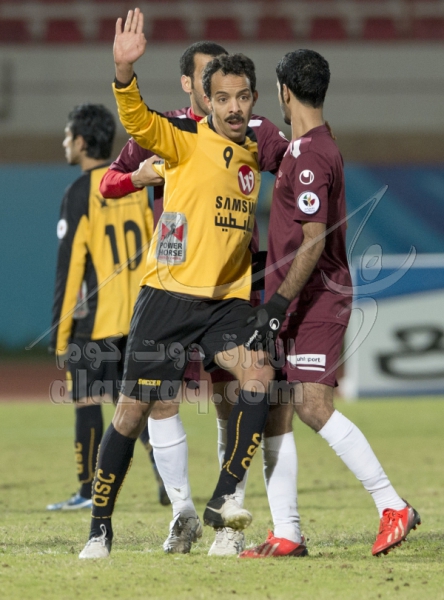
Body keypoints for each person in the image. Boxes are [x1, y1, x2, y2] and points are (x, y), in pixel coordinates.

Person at [79, 8, 275, 560]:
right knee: (133, 410)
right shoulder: (182, 137)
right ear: (202, 96)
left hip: (226, 301)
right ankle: (99, 529)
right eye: (222, 96)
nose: (232, 107)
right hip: (168, 296)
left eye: (242, 97)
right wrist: (124, 72)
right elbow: (136, 124)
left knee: (257, 376)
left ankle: (223, 504)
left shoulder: (256, 148)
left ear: (252, 100)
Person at [238, 49, 421, 558]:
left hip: (316, 298)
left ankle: (393, 506)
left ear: (285, 91)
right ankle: (287, 533)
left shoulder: (313, 155)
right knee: (277, 410)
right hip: (296, 299)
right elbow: (270, 143)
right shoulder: (305, 147)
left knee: (311, 405)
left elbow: (314, 240)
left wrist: (276, 305)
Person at [47, 103, 168, 511]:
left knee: (86, 399)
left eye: (68, 136)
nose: (65, 143)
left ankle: (87, 491)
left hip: (96, 320)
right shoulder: (133, 184)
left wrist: (60, 334)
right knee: (138, 403)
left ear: (81, 142)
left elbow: (70, 270)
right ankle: (167, 480)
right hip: (140, 316)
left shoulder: (80, 192)